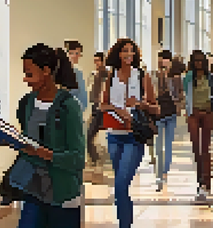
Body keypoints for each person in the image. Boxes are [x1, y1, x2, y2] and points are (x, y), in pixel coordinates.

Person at [11, 44, 85, 226]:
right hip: (32, 190)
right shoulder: (25, 104)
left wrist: (48, 154)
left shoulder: (69, 106)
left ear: (46, 71)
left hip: (62, 194)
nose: (25, 79)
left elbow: (78, 158)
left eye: (29, 74)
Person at [101, 38, 159, 228]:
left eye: (131, 51)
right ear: (118, 54)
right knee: (121, 187)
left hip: (134, 137)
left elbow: (156, 109)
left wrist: (140, 104)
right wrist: (116, 109)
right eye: (125, 50)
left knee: (120, 185)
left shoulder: (142, 76)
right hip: (114, 136)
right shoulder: (111, 76)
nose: (129, 54)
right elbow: (102, 105)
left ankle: (125, 225)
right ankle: (124, 224)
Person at [184, 50, 213, 201]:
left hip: (207, 113)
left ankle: (206, 181)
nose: (198, 63)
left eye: (201, 60)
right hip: (193, 114)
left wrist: (211, 102)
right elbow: (184, 93)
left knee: (205, 148)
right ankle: (200, 179)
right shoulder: (188, 77)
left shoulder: (212, 78)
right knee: (196, 148)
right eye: (196, 60)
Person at [153, 50, 181, 192]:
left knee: (168, 145)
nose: (162, 62)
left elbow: (179, 94)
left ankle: (165, 171)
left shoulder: (175, 77)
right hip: (158, 114)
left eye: (164, 59)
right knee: (158, 147)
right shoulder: (154, 76)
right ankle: (159, 173)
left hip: (170, 114)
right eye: (160, 59)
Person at [86, 51, 109, 179]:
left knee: (92, 135)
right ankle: (96, 160)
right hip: (95, 108)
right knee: (90, 136)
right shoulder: (93, 75)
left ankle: (97, 160)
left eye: (98, 61)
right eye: (95, 61)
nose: (96, 63)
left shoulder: (106, 75)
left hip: (102, 109)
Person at [65, 40, 88, 113]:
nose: (78, 56)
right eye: (76, 53)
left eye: (79, 54)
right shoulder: (73, 72)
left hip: (75, 109)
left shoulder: (78, 72)